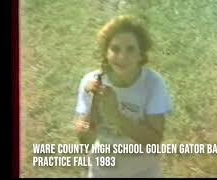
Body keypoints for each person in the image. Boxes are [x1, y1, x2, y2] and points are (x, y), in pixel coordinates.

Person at [73, 15, 173, 178]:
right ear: (106, 53)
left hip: (144, 172)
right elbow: (85, 142)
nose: (122, 57)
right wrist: (92, 108)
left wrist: (116, 116)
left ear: (141, 54)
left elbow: (154, 142)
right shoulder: (91, 82)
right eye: (115, 49)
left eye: (130, 49)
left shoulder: (153, 83)